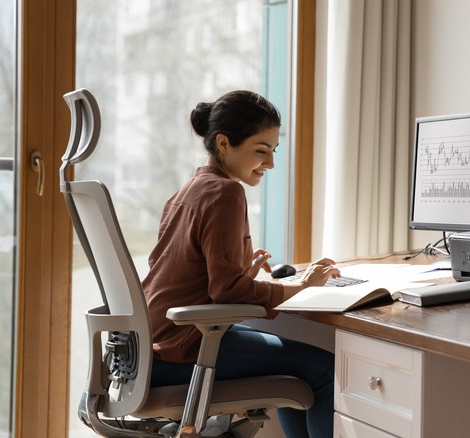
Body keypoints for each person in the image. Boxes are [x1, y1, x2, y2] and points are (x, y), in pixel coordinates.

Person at [143, 90, 340, 438]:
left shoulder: (187, 190)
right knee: (325, 370)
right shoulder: (225, 193)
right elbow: (226, 290)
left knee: (296, 376)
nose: (270, 164)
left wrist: (242, 274)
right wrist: (302, 286)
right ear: (223, 143)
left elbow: (191, 278)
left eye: (273, 151)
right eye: (261, 151)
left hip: (150, 348)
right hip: (183, 351)